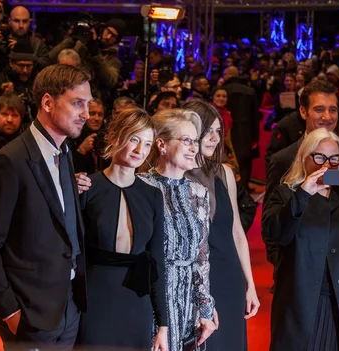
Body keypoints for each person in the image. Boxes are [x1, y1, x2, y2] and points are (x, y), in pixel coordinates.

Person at [0, 64, 92, 350]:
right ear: (48, 102)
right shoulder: (9, 161)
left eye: (87, 104)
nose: (85, 114)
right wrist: (9, 312)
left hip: (68, 307)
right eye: (77, 103)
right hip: (29, 314)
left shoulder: (65, 153)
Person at [262, 128, 339, 351]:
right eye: (319, 157)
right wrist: (304, 193)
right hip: (304, 300)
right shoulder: (286, 193)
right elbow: (276, 233)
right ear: (303, 157)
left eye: (334, 158)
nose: (326, 165)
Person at [79, 108, 168, 350]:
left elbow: (157, 261)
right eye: (134, 140)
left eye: (147, 144)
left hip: (137, 301)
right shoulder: (87, 187)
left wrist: (163, 324)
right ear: (115, 138)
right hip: (93, 300)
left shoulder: (152, 196)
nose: (140, 151)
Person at [263, 80, 339, 279]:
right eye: (319, 109)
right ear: (303, 112)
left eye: (333, 110)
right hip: (299, 273)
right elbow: (270, 222)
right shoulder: (284, 158)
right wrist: (283, 261)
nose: (327, 117)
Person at [138, 109, 217, 351]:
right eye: (186, 140)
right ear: (161, 144)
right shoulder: (139, 186)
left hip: (188, 306)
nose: (194, 147)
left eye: (195, 141)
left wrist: (206, 308)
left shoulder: (199, 192)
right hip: (150, 299)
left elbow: (201, 257)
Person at [183, 100, 259, 351]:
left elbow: (237, 232)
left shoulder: (225, 173)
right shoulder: (174, 174)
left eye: (218, 131)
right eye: (208, 131)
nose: (215, 138)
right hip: (193, 281)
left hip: (229, 278)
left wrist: (250, 284)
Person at [72, 98, 108, 174]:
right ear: (84, 114)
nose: (97, 118)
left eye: (100, 114)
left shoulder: (108, 136)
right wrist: (81, 150)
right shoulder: (73, 135)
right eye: (92, 113)